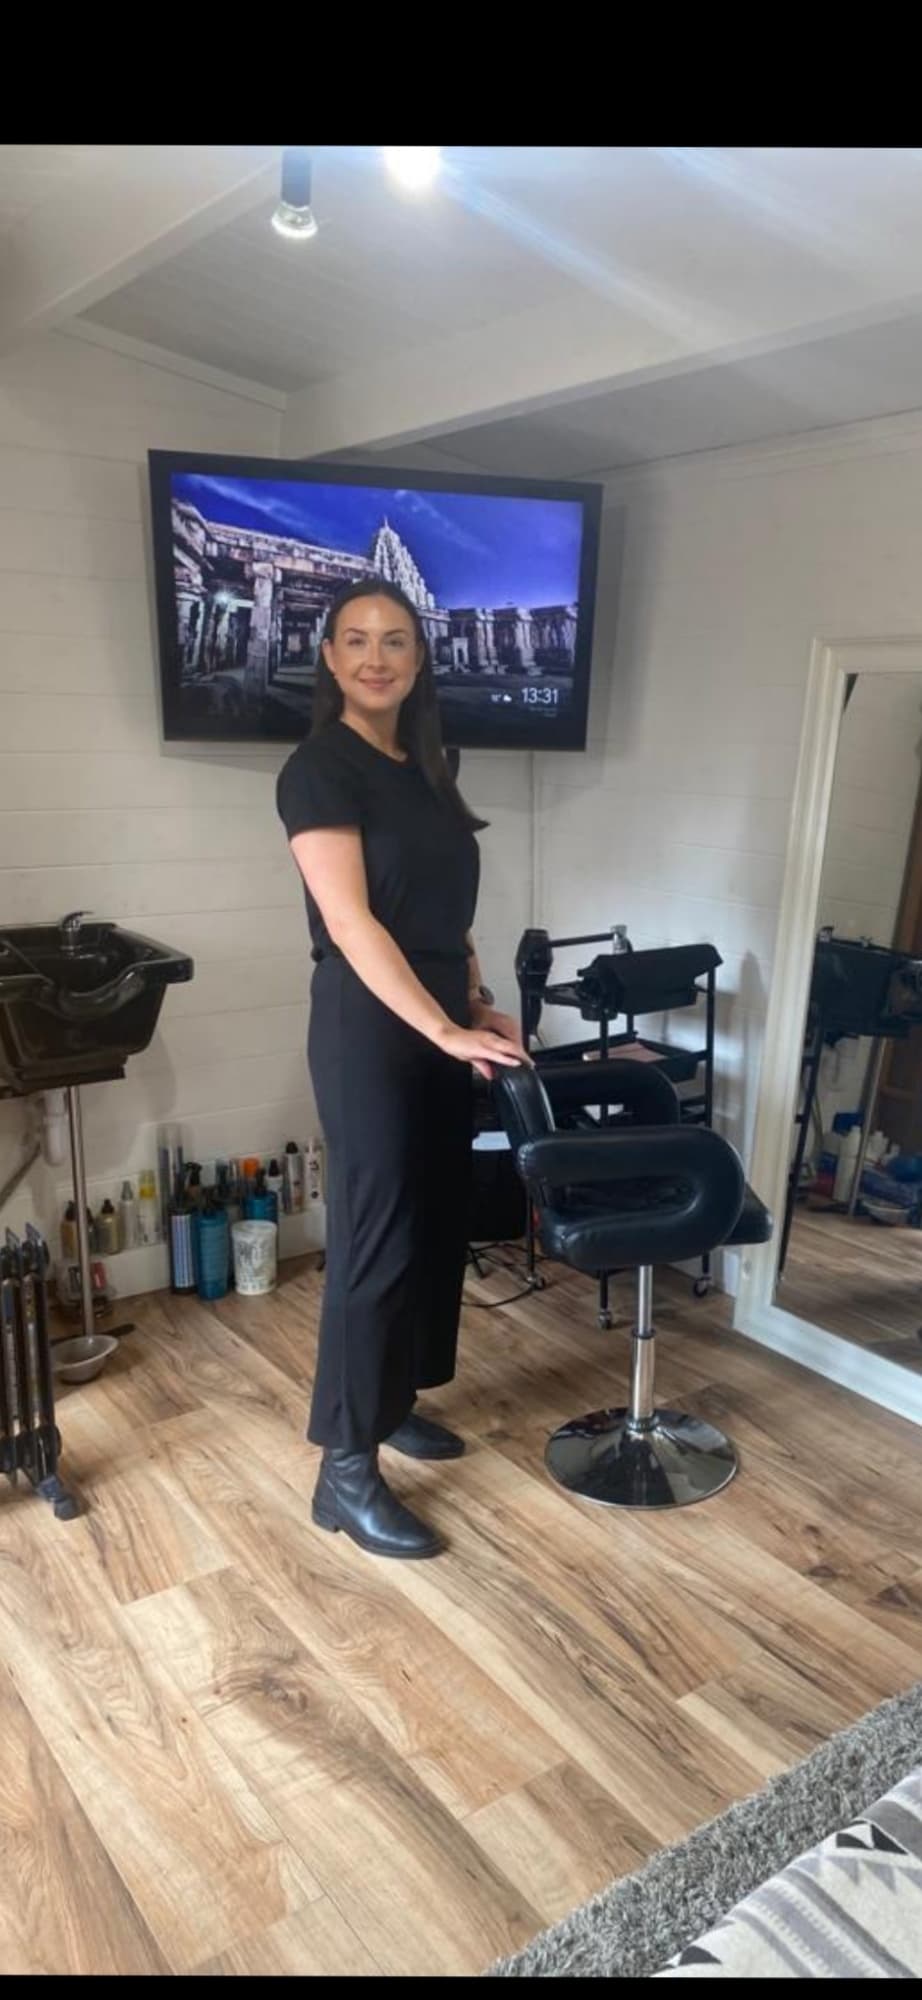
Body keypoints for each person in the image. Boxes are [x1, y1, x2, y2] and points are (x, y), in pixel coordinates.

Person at [277, 578, 527, 1560]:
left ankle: (392, 1402)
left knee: (433, 1222)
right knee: (376, 1239)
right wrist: (441, 1028)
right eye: (356, 640)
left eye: (394, 641)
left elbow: (443, 915)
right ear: (330, 658)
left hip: (434, 1015)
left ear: (418, 661)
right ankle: (345, 1470)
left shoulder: (426, 769)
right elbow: (352, 924)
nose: (375, 657)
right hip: (367, 1024)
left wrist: (473, 1002)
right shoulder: (318, 769)